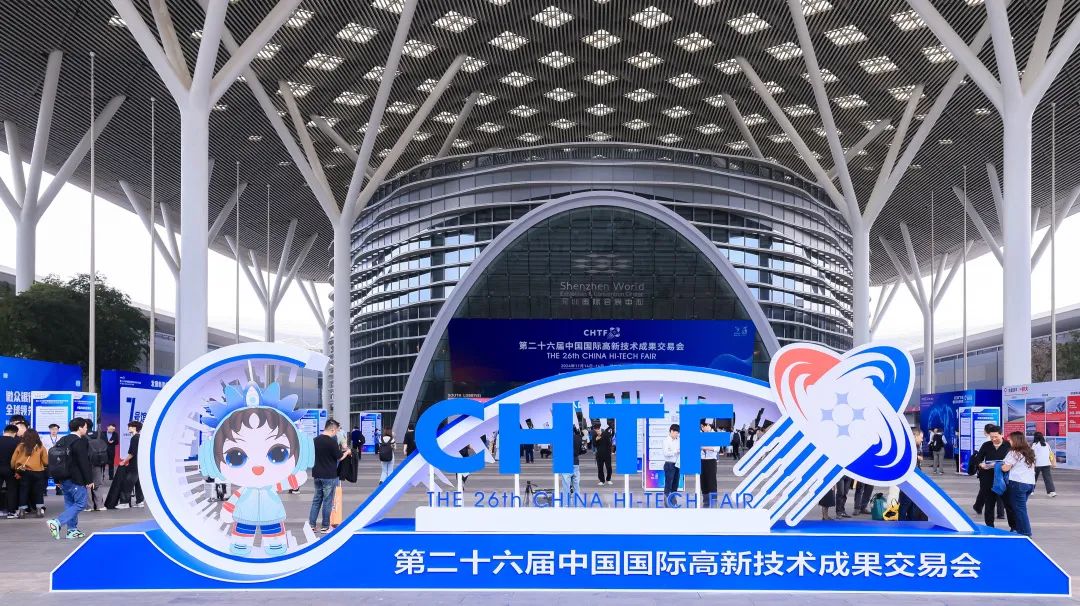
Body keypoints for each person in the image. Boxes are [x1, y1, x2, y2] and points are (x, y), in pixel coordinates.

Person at [47, 417, 93, 540]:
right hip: (75, 478)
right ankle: (57, 522)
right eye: (85, 427)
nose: (86, 429)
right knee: (81, 503)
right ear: (80, 428)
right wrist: (89, 480)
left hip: (63, 479)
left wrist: (56, 480)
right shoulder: (80, 441)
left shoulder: (62, 439)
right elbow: (84, 462)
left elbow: (55, 461)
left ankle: (72, 530)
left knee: (70, 504)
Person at [309, 420, 348, 534]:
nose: (336, 433)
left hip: (317, 474)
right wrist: (347, 452)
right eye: (336, 430)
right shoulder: (331, 442)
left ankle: (312, 525)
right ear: (332, 429)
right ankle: (325, 526)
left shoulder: (315, 440)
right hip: (329, 475)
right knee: (327, 501)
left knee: (317, 499)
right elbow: (339, 457)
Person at [972, 425, 1013, 529]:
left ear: (1002, 434)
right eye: (991, 437)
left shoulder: (1008, 445)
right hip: (987, 477)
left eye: (996, 437)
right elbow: (978, 459)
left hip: (1004, 477)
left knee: (1008, 503)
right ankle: (989, 526)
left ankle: (1013, 527)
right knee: (989, 503)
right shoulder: (986, 445)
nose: (993, 439)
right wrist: (981, 464)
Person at [1000, 431, 1037, 536]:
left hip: (1018, 483)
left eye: (1010, 440)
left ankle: (1026, 532)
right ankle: (1020, 530)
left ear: (1015, 440)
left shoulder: (1014, 452)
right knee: (1020, 508)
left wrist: (1001, 466)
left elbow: (1005, 468)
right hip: (1030, 484)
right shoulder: (1030, 452)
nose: (1009, 442)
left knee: (1020, 510)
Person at [10, 427, 47, 518]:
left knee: (23, 491)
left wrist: (15, 469)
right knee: (38, 492)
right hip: (38, 472)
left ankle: (22, 512)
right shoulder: (40, 447)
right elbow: (46, 462)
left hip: (24, 472)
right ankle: (39, 511)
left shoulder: (20, 446)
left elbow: (13, 460)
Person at [117, 421, 144, 508]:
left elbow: (132, 453)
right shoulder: (140, 437)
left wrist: (124, 461)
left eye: (130, 426)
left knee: (128, 483)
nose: (128, 428)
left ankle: (125, 502)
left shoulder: (134, 438)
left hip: (134, 465)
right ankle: (140, 501)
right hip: (139, 464)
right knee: (138, 483)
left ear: (134, 427)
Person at [87, 424, 111, 512]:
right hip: (98, 463)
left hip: (87, 463)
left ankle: (89, 506)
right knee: (97, 485)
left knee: (87, 485)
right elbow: (107, 447)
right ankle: (100, 506)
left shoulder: (82, 437)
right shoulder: (100, 434)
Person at [0, 424, 19, 517]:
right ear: (15, 433)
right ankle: (11, 512)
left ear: (4, 431)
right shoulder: (16, 442)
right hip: (11, 469)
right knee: (12, 490)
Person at [1032, 431, 1057, 497]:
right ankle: (1051, 492)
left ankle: (1031, 491)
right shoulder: (1046, 444)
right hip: (1046, 464)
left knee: (1033, 478)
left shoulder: (1034, 445)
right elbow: (1051, 453)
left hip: (1037, 464)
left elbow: (1032, 455)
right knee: (1048, 478)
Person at [559, 426, 582, 499]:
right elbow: (581, 450)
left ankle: (566, 502)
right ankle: (577, 500)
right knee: (576, 484)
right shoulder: (578, 438)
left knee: (566, 486)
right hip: (575, 462)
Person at [699, 420, 717, 504]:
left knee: (711, 481)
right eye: (701, 427)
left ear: (708, 425)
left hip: (711, 461)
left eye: (703, 427)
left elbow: (716, 448)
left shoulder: (714, 434)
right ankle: (705, 500)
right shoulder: (702, 434)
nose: (702, 428)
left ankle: (713, 500)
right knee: (703, 481)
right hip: (702, 460)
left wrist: (703, 447)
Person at [662, 424, 681, 506]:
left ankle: (673, 502)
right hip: (669, 464)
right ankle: (666, 503)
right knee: (668, 484)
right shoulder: (666, 440)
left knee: (675, 484)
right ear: (672, 431)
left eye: (678, 433)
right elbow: (666, 453)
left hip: (677, 464)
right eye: (676, 433)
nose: (677, 435)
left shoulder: (679, 440)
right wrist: (676, 451)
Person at [42, 423, 61, 496]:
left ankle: (59, 490)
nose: (54, 431)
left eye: (56, 429)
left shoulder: (60, 438)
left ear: (58, 430)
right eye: (52, 429)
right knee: (45, 475)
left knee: (58, 475)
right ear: (49, 430)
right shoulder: (44, 438)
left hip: (58, 460)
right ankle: (44, 490)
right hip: (48, 459)